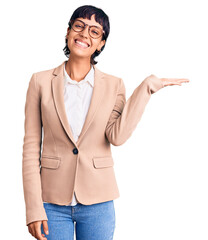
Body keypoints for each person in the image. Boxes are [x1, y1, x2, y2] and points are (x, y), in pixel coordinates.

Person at [22, 4, 190, 240]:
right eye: (79, 26)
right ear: (68, 32)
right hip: (50, 202)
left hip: (98, 202)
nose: (84, 34)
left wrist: (146, 89)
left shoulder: (114, 85)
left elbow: (117, 137)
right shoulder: (39, 81)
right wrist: (33, 208)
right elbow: (30, 148)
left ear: (101, 44)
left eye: (94, 31)